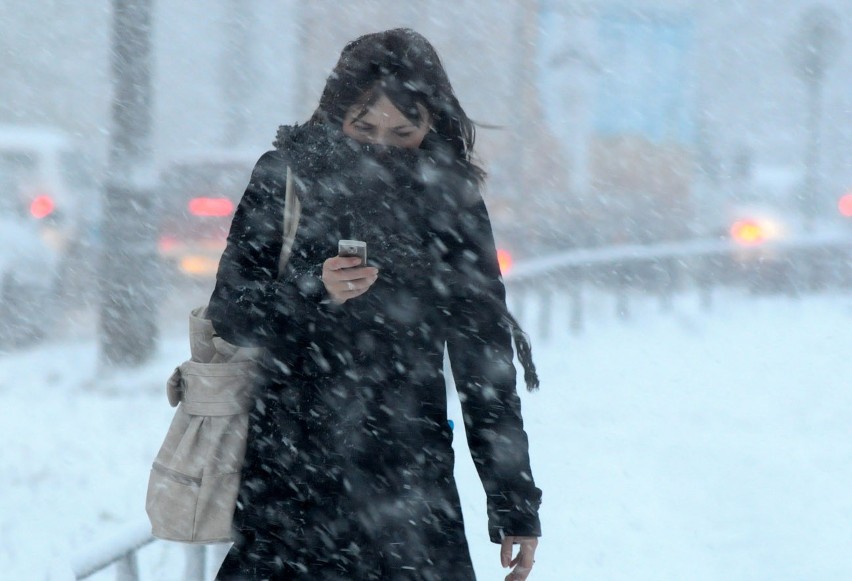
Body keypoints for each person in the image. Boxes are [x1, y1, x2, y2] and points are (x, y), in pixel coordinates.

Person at [209, 28, 542, 581]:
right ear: (333, 112)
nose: (380, 146)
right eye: (363, 127)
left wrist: (513, 504)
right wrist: (311, 291)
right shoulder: (286, 177)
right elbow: (231, 311)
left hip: (409, 480)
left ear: (431, 124)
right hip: (291, 480)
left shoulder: (449, 200)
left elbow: (484, 360)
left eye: (403, 131)